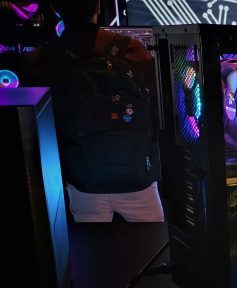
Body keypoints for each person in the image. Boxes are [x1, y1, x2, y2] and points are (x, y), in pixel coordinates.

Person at [25, 0, 164, 222]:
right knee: (153, 240)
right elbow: (156, 112)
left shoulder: (47, 58)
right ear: (98, 7)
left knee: (92, 242)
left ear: (56, 9)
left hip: (83, 178)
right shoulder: (133, 51)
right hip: (137, 177)